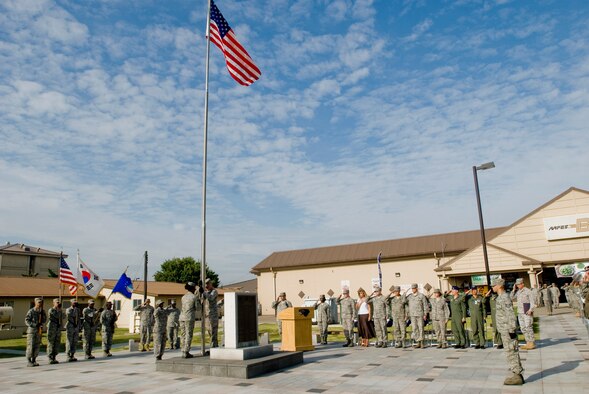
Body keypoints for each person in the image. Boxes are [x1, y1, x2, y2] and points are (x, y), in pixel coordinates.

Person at [492, 277, 524, 385]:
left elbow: (510, 314)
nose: (492, 287)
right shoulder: (500, 297)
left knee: (511, 351)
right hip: (504, 329)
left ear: (499, 286)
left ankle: (517, 375)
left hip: (507, 330)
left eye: (494, 285)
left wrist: (511, 329)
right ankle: (517, 373)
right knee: (510, 351)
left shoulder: (504, 298)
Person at [511, 278, 535, 350]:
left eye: (519, 284)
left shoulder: (528, 291)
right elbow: (511, 298)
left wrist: (531, 310)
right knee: (523, 328)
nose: (518, 286)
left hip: (527, 311)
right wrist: (513, 290)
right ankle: (528, 342)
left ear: (522, 284)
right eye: (517, 284)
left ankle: (531, 342)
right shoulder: (518, 292)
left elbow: (532, 302)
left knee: (528, 327)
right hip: (520, 312)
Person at [179, 282, 201, 358]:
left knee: (183, 335)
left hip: (182, 317)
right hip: (189, 318)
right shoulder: (194, 297)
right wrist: (199, 298)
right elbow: (198, 308)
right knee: (189, 334)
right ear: (192, 288)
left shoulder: (183, 297)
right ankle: (186, 351)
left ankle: (183, 350)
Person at [25, 297, 46, 367]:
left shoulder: (42, 311)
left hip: (38, 331)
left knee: (37, 346)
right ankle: (29, 360)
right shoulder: (31, 311)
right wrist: (34, 324)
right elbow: (27, 320)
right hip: (32, 331)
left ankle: (34, 359)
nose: (40, 304)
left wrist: (42, 317)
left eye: (41, 303)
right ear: (35, 303)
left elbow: (44, 319)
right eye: (39, 302)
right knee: (30, 346)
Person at [202, 278, 219, 348]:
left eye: (207, 284)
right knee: (209, 331)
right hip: (207, 315)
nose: (206, 286)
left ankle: (213, 347)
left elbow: (211, 298)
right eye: (205, 284)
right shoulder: (206, 292)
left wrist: (204, 292)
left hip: (213, 315)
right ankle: (215, 345)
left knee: (213, 331)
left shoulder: (214, 291)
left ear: (210, 284)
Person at [46, 298, 63, 364]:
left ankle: (54, 357)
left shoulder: (60, 310)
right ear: (53, 303)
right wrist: (59, 311)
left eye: (59, 302)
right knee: (51, 342)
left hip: (57, 329)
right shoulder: (51, 310)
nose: (58, 304)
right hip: (52, 328)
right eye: (57, 302)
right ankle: (50, 357)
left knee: (57, 342)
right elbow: (55, 317)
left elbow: (62, 317)